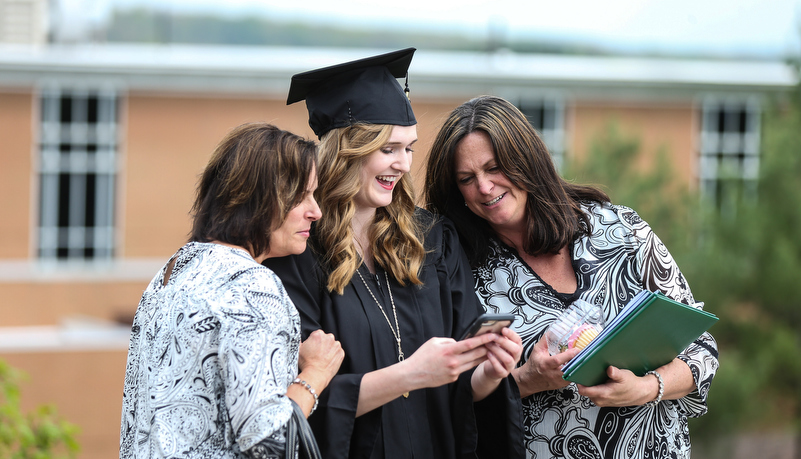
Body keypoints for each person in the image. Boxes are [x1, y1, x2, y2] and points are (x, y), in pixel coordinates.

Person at [424, 95, 719, 459]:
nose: (484, 187)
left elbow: (700, 347)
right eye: (467, 178)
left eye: (494, 167)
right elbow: (447, 399)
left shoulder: (621, 230)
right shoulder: (459, 271)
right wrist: (528, 379)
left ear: (526, 160)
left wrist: (646, 387)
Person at [263, 49, 525, 459]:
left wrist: (489, 375)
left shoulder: (432, 241)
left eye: (409, 149)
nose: (403, 164)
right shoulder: (297, 253)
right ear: (346, 151)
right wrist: (411, 374)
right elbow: (295, 404)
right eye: (388, 149)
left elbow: (461, 388)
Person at [120, 122, 344, 458]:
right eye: (301, 196)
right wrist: (316, 372)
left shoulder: (171, 273)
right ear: (258, 198)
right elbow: (271, 445)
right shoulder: (254, 287)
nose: (317, 211)